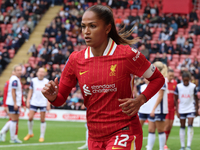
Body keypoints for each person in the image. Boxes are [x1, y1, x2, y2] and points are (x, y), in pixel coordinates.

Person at [42, 5, 165, 150]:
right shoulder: (76, 59)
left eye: (92, 26)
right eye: (83, 26)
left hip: (124, 130)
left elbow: (158, 78)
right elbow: (60, 98)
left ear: (107, 28)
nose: (86, 32)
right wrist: (52, 96)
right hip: (94, 137)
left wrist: (141, 99)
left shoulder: (127, 55)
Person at [24, 68, 50, 142]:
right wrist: (28, 101)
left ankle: (42, 136)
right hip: (34, 102)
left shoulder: (47, 81)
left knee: (42, 119)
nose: (41, 73)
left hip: (43, 102)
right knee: (30, 118)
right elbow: (30, 91)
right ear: (37, 73)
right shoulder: (33, 81)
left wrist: (48, 104)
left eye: (42, 72)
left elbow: (49, 94)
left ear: (44, 74)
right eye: (40, 72)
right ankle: (30, 133)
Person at [146, 61, 168, 150]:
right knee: (151, 130)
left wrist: (153, 109)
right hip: (153, 109)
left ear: (157, 69)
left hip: (159, 109)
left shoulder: (162, 80)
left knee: (160, 130)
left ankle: (161, 148)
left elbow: (160, 96)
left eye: (153, 67)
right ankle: (149, 148)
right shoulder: (156, 79)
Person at [175, 71, 198, 150]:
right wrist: (177, 111)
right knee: (182, 126)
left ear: (190, 80)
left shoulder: (193, 86)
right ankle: (182, 146)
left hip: (191, 108)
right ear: (182, 79)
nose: (186, 82)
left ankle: (188, 146)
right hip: (181, 109)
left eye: (187, 80)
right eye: (184, 80)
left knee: (190, 125)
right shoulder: (178, 86)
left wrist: (197, 108)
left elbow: (196, 98)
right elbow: (175, 99)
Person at [0, 72, 26, 142]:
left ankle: (5, 134)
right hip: (12, 103)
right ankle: (9, 135)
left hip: (16, 103)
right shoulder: (9, 82)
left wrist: (22, 104)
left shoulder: (17, 81)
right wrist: (5, 105)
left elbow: (20, 94)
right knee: (13, 120)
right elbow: (6, 94)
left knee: (14, 120)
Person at [5, 64, 23, 143]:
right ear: (14, 71)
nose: (20, 71)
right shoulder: (15, 79)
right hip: (13, 102)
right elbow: (13, 91)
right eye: (18, 70)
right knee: (14, 120)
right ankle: (13, 138)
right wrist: (15, 103)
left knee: (14, 120)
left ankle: (8, 135)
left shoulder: (14, 79)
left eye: (20, 70)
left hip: (13, 102)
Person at [164, 69, 177, 150]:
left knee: (170, 126)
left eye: (172, 76)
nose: (171, 77)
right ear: (167, 75)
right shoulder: (163, 82)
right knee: (166, 126)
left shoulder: (175, 83)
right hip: (165, 108)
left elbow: (175, 96)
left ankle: (165, 143)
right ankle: (164, 144)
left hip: (172, 108)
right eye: (170, 75)